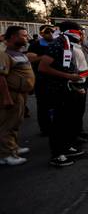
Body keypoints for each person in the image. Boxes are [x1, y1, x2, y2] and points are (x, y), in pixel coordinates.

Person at [38, 21, 86, 167]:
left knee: (67, 121)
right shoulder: (57, 44)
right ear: (70, 32)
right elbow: (43, 67)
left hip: (67, 89)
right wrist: (69, 77)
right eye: (79, 32)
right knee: (58, 123)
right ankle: (57, 155)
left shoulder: (67, 45)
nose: (81, 35)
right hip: (57, 91)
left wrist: (75, 81)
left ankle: (66, 147)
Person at [0, 26, 35, 166]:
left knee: (16, 122)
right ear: (14, 37)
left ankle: (12, 147)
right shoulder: (4, 54)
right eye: (24, 35)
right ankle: (5, 154)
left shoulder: (17, 52)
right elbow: (1, 78)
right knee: (7, 124)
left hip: (21, 94)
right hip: (11, 94)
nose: (27, 38)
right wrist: (6, 97)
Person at [26, 24, 56, 136]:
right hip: (42, 79)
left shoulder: (56, 43)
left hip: (55, 78)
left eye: (52, 31)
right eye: (47, 32)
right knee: (43, 105)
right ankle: (45, 128)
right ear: (41, 33)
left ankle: (55, 126)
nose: (50, 34)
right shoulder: (36, 44)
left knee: (56, 104)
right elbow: (30, 58)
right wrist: (44, 57)